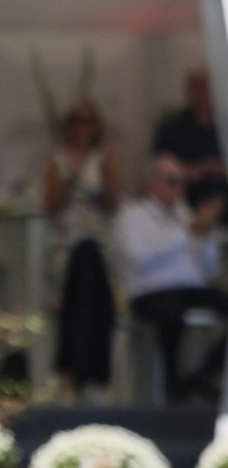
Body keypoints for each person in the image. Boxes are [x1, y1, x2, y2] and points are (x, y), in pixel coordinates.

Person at [115, 154, 228, 403]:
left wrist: (206, 236)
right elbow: (141, 259)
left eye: (182, 182)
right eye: (172, 181)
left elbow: (209, 271)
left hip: (191, 289)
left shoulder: (187, 216)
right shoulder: (133, 215)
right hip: (149, 292)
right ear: (154, 183)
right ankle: (174, 385)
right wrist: (188, 234)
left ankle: (202, 375)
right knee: (171, 314)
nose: (178, 188)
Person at [43, 98, 120, 398]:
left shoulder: (106, 158)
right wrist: (71, 179)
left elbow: (113, 203)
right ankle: (70, 375)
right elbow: (50, 205)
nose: (81, 127)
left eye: (87, 121)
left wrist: (99, 189)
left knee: (97, 306)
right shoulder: (57, 160)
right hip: (65, 243)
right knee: (70, 309)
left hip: (97, 241)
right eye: (76, 121)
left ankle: (97, 375)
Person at [153, 68, 228, 208]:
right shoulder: (172, 128)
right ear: (187, 91)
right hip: (182, 208)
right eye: (196, 87)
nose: (202, 94)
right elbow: (156, 169)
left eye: (206, 87)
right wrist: (199, 170)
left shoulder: (224, 126)